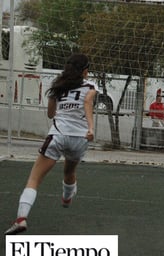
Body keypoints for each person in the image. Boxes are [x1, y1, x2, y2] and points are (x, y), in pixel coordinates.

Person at [4, 53, 98, 235]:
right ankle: (66, 198)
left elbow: (50, 114)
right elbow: (87, 101)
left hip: (58, 136)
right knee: (69, 171)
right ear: (85, 71)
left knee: (34, 179)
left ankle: (21, 219)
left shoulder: (57, 86)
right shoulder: (91, 85)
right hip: (80, 138)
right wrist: (91, 128)